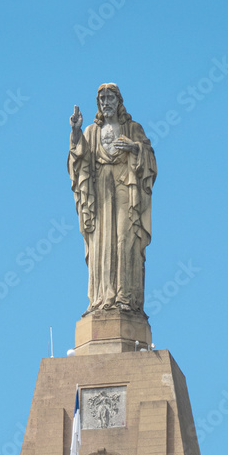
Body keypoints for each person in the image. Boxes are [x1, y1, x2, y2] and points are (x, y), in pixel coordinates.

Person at [68, 84, 157, 315]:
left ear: (119, 101)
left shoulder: (132, 128)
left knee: (125, 241)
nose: (106, 102)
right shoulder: (91, 132)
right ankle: (101, 299)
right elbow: (77, 161)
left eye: (110, 97)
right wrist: (76, 132)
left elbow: (150, 160)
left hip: (126, 189)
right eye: (102, 98)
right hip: (99, 193)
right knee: (101, 244)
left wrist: (134, 148)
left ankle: (125, 299)